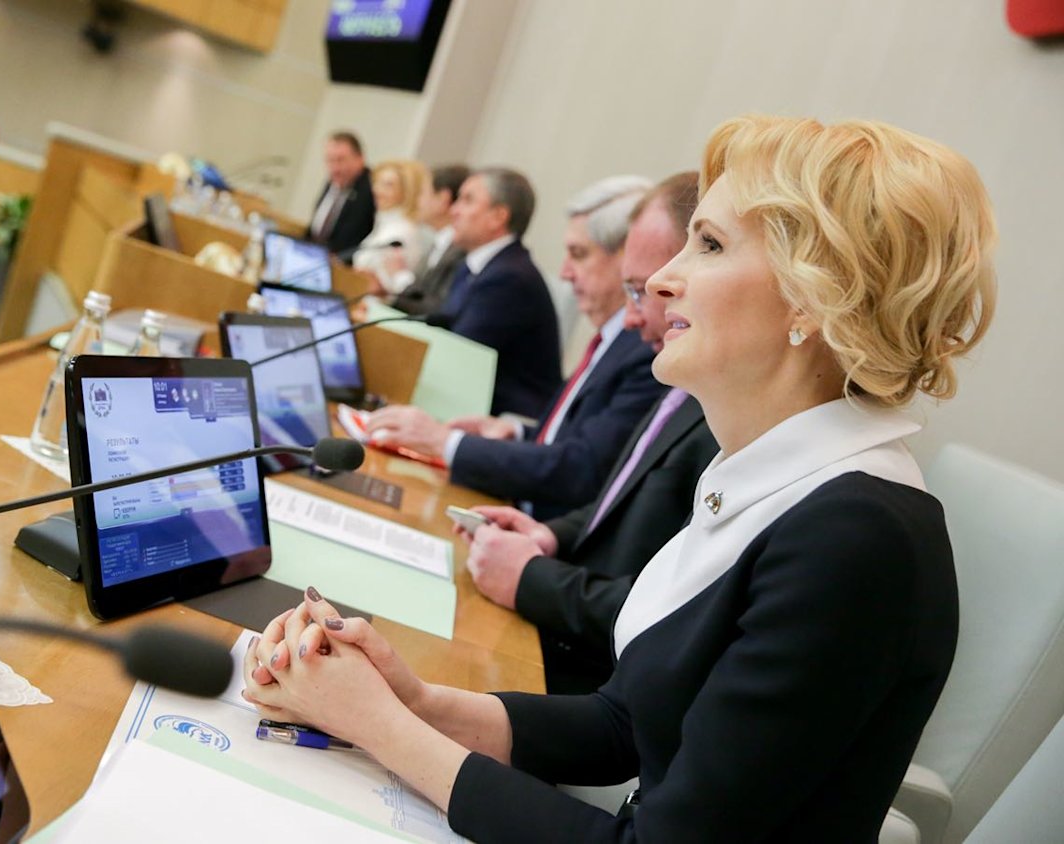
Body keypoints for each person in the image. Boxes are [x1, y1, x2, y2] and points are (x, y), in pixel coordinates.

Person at [243, 114, 997, 840]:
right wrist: (414, 700)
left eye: (708, 244)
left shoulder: (855, 541)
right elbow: (626, 724)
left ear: (813, 295)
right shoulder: (778, 478)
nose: (662, 279)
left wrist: (378, 726)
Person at [463, 172, 720, 693]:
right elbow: (617, 499)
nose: (633, 316)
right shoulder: (682, 387)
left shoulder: (711, 406)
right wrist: (551, 535)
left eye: (639, 290)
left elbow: (673, 612)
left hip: (594, 679)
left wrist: (531, 578)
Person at [366, 175, 665, 521]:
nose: (565, 273)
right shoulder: (613, 338)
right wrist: (517, 431)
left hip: (540, 523)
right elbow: (571, 437)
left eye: (579, 254)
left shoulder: (645, 349)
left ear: (627, 259)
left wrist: (445, 442)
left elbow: (582, 468)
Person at [428, 167, 562, 418]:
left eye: (467, 200)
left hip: (507, 419)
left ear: (498, 217)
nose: (454, 210)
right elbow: (443, 322)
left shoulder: (510, 278)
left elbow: (457, 355)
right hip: (472, 403)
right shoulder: (474, 266)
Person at [391, 164, 471, 315]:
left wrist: (401, 278)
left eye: (422, 193)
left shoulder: (461, 251)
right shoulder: (439, 242)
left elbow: (437, 309)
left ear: (442, 199)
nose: (418, 201)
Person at [351, 160, 429, 295]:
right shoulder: (384, 224)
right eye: (378, 183)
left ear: (406, 191)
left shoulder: (402, 232)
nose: (377, 190)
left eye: (388, 185)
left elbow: (394, 286)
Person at [305, 131, 375, 257]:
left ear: (360, 158)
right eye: (330, 160)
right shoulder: (332, 182)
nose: (335, 168)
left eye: (341, 160)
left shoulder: (372, 189)